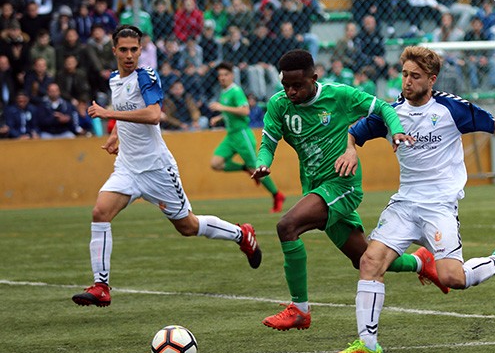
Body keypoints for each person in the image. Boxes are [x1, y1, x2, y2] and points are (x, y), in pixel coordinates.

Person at [330, 46, 495, 353]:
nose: (407, 82)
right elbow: (354, 133)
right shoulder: (391, 113)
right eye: (404, 75)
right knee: (370, 262)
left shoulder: (450, 109)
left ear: (432, 79)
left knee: (452, 279)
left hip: (439, 206)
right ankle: (367, 344)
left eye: (415, 76)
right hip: (404, 205)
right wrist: (350, 149)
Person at [250, 49, 448, 331]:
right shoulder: (279, 105)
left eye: (298, 85)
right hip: (316, 188)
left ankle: (300, 309)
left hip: (342, 185)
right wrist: (262, 164)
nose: (291, 92)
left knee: (287, 227)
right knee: (365, 259)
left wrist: (395, 131)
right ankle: (420, 262)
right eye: (286, 86)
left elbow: (383, 107)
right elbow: (268, 142)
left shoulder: (339, 96)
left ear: (313, 78)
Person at [71, 25, 262, 308]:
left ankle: (241, 234)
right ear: (114, 51)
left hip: (157, 169)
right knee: (100, 212)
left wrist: (107, 114)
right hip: (127, 167)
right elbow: (125, 113)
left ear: (141, 50)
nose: (128, 55)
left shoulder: (146, 77)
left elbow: (153, 114)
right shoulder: (114, 79)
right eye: (123, 50)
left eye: (134, 50)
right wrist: (115, 135)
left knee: (187, 226)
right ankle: (101, 286)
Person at [209, 62, 286, 213]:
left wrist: (222, 108)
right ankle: (245, 168)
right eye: (220, 76)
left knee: (257, 169)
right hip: (231, 136)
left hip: (242, 135)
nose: (222, 78)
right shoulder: (224, 92)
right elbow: (232, 111)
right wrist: (219, 117)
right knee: (215, 163)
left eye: (225, 75)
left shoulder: (236, 91)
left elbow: (245, 111)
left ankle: (277, 195)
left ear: (231, 76)